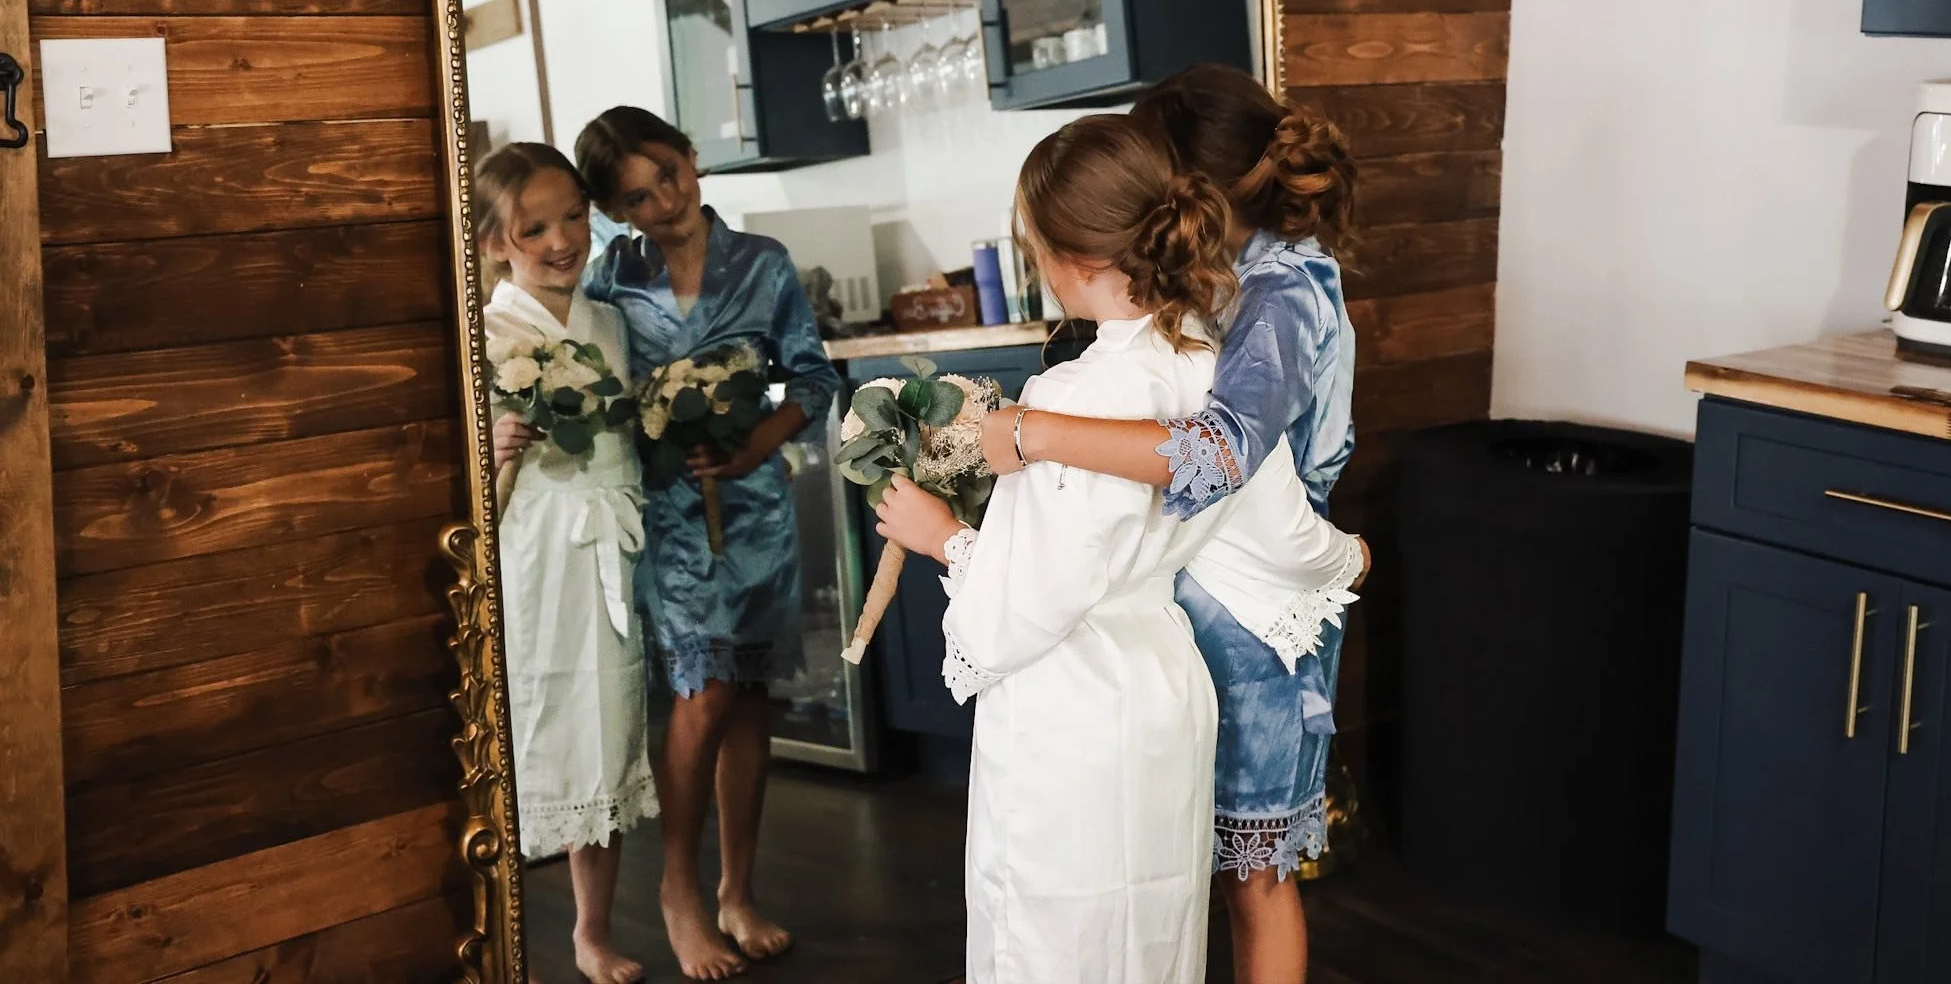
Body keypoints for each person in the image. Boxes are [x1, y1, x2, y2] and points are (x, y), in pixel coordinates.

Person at [880, 66, 1365, 984]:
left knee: (1097, 926)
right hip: (1169, 655)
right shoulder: (1198, 350)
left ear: (1068, 255)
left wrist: (955, 521)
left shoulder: (1115, 378)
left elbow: (1037, 598)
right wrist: (1340, 552)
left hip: (1130, 670)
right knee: (1161, 912)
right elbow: (1266, 493)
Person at [576, 106, 836, 981]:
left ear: (693, 159)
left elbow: (812, 374)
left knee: (749, 697)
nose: (664, 203)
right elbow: (588, 371)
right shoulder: (611, 276)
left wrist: (759, 442)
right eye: (636, 198)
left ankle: (737, 889)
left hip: (756, 509)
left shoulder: (762, 264)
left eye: (670, 177)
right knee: (703, 689)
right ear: (615, 212)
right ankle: (678, 894)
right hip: (672, 518)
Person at [479, 143, 656, 984]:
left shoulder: (611, 322)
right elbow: (462, 493)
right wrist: (497, 449)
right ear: (494, 241)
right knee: (526, 722)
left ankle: (592, 929)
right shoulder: (483, 334)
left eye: (574, 216)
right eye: (535, 227)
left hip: (607, 552)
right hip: (534, 554)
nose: (562, 239)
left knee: (604, 726)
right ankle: (491, 925)